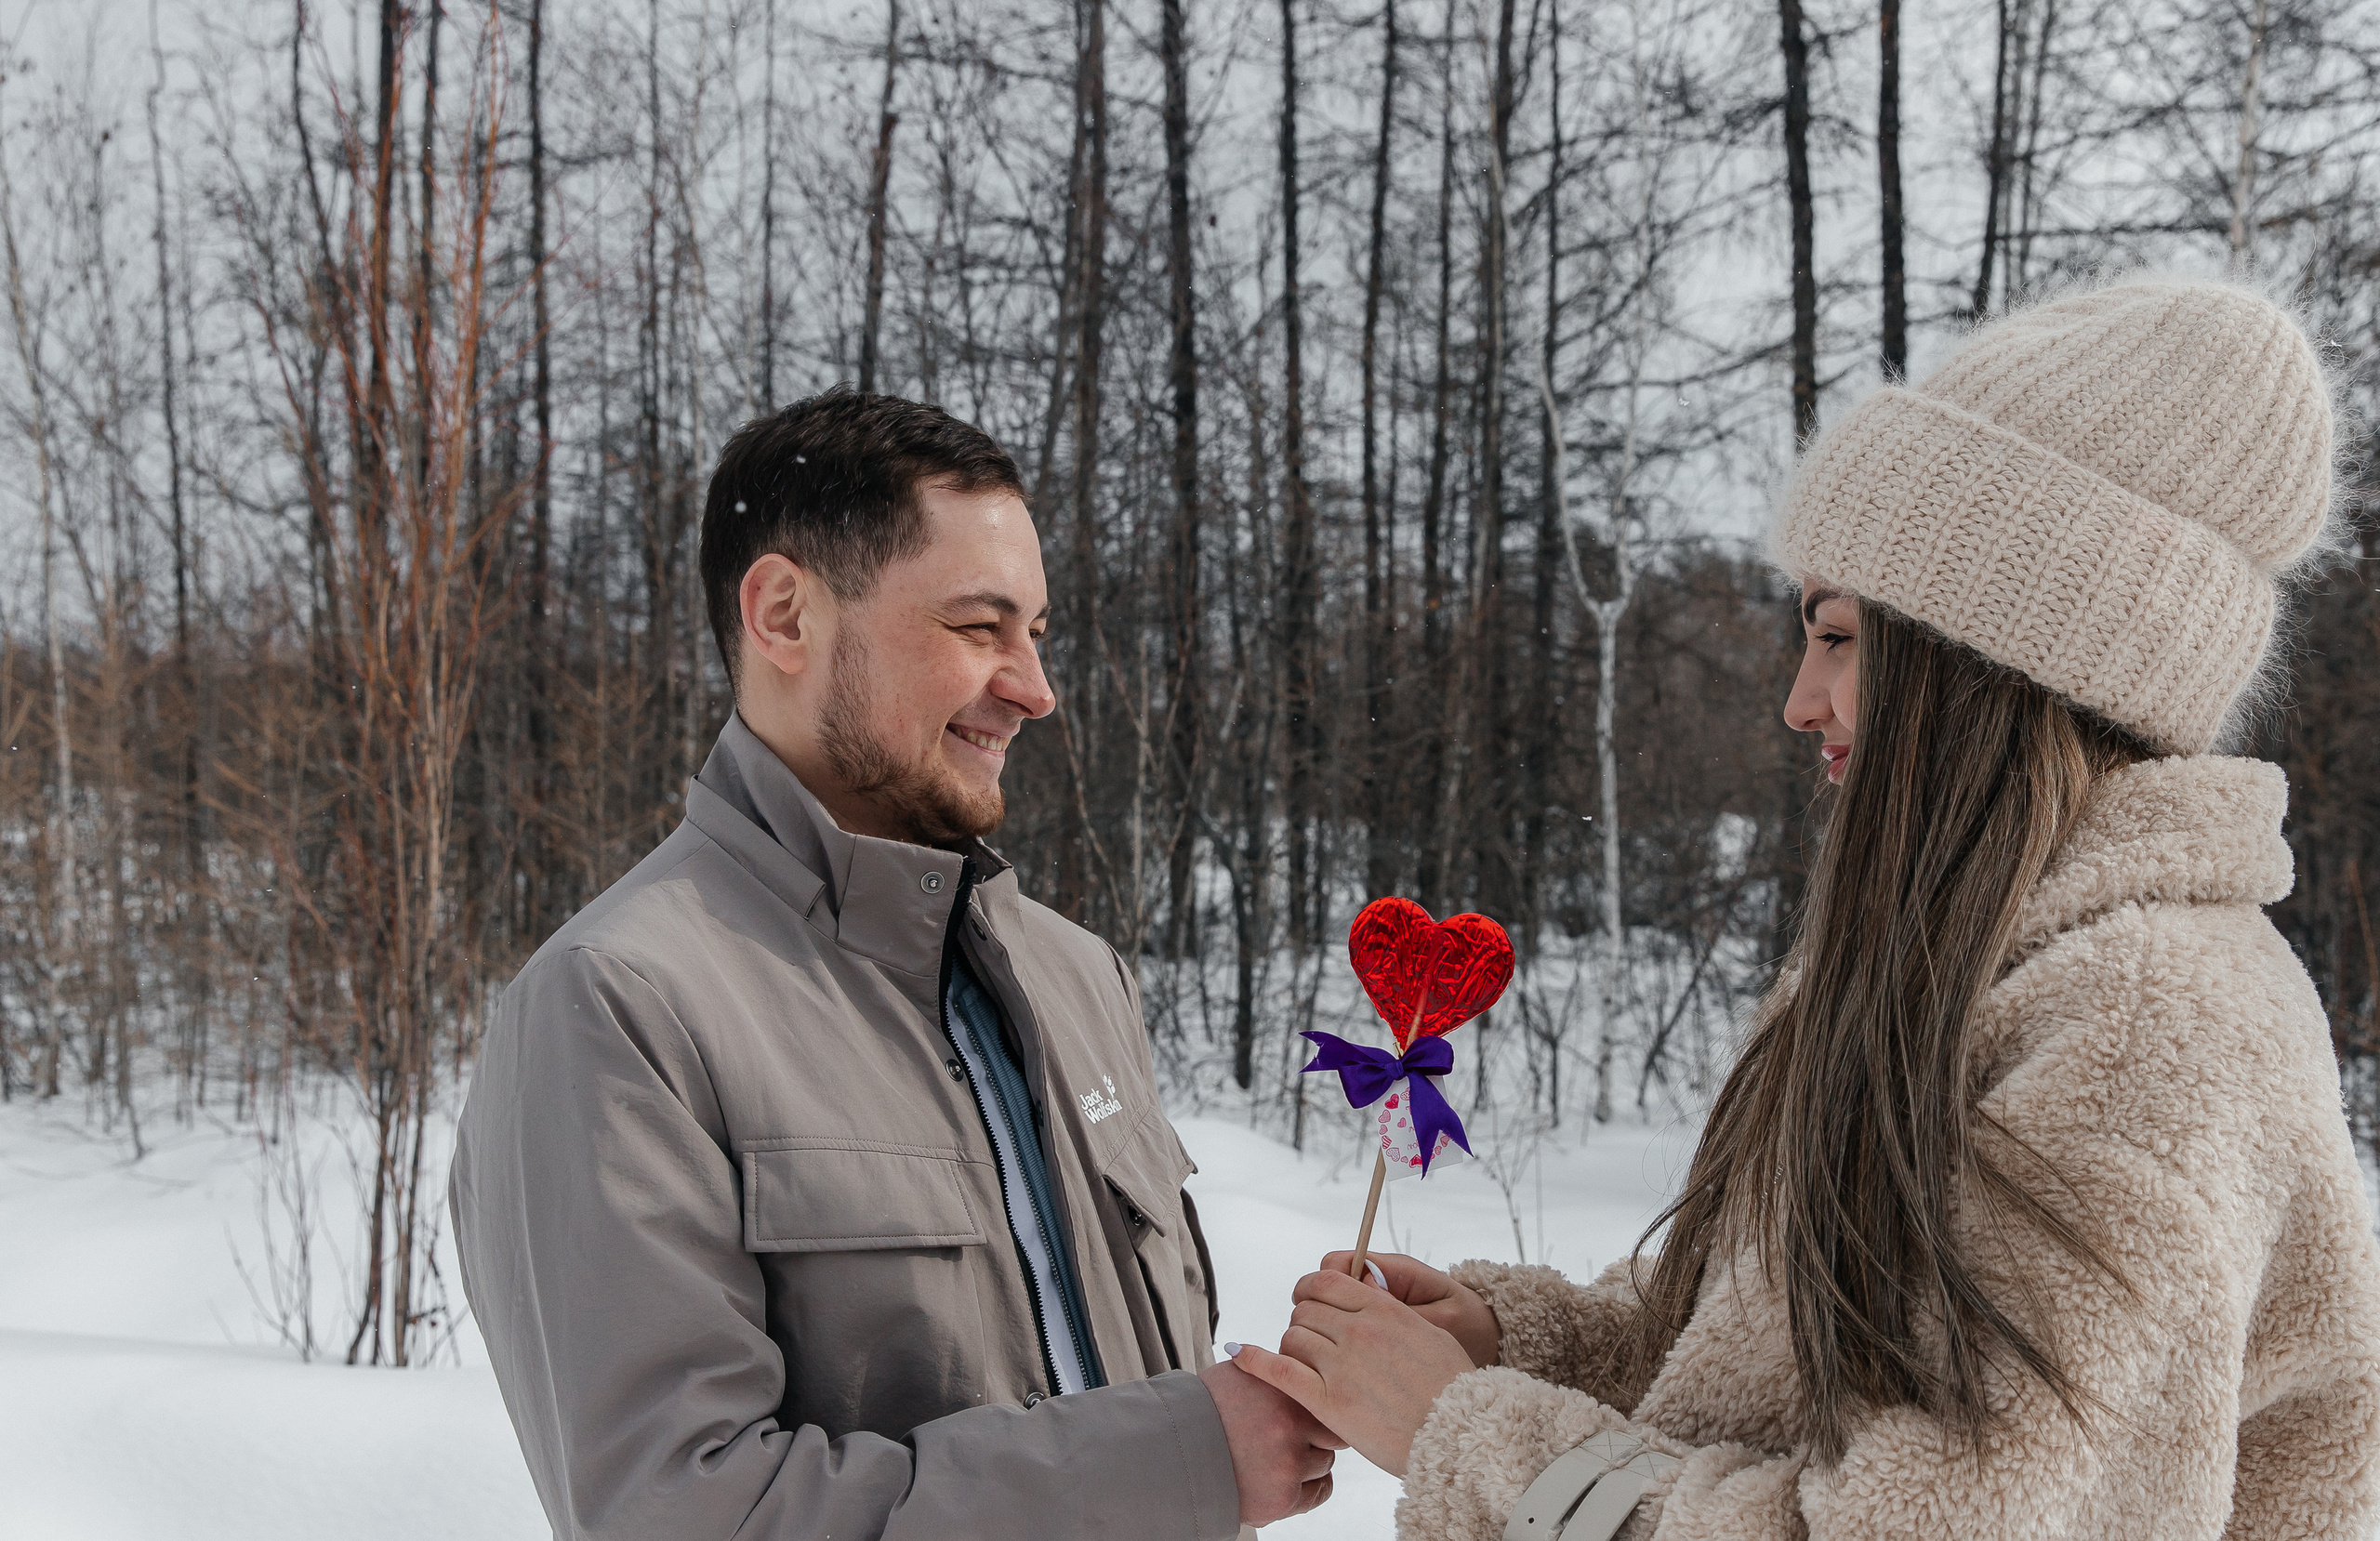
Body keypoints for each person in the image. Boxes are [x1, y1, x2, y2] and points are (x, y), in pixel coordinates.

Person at [1226, 277, 2380, 1538]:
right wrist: (1523, 1343)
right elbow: (1781, 1356)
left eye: (1838, 636)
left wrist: (1475, 1434)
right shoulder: (1970, 966)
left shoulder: (2149, 1033)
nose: (1799, 699)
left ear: (1979, 665)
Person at [451, 389, 1340, 1541]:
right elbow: (679, 1513)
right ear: (783, 614)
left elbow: (1089, 1365)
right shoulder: (619, 1007)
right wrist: (1170, 1458)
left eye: (1038, 631)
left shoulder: (1074, 974)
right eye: (979, 627)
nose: (1033, 685)